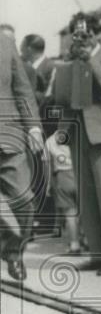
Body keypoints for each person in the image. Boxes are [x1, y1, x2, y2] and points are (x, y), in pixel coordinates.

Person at [49, 15, 101, 275]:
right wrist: (69, 64)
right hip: (78, 133)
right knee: (87, 199)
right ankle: (97, 254)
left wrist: (91, 58)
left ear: (94, 33)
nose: (80, 38)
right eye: (76, 34)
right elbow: (61, 98)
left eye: (84, 33)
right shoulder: (73, 60)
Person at [0, 31, 43, 280]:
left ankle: (14, 253)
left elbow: (23, 90)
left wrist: (34, 127)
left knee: (24, 200)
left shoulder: (6, 44)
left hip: (9, 137)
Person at [45, 126, 80, 253]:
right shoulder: (76, 133)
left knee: (70, 214)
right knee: (86, 212)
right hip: (79, 173)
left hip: (62, 177)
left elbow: (48, 165)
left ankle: (75, 245)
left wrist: (48, 184)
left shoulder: (49, 141)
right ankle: (89, 241)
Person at [20, 34, 54, 108]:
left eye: (22, 46)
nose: (20, 50)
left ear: (29, 49)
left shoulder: (51, 67)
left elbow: (49, 96)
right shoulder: (26, 66)